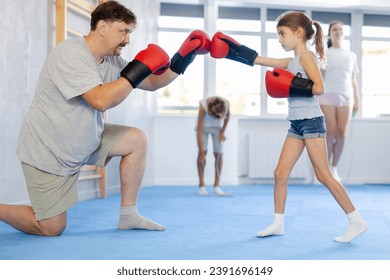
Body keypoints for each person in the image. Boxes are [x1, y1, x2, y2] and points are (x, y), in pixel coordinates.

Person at [0, 1, 210, 236]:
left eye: (129, 33)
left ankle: (129, 215)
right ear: (101, 27)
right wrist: (140, 67)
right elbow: (100, 99)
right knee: (51, 227)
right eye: (124, 31)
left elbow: (150, 82)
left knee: (136, 140)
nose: (127, 40)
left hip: (84, 138)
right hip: (50, 149)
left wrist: (183, 58)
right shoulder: (70, 54)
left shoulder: (110, 60)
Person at [209, 11, 367, 242]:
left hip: (312, 121)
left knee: (323, 175)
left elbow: (320, 88)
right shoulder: (293, 60)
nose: (280, 39)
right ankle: (278, 223)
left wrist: (290, 84)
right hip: (296, 123)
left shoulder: (307, 57)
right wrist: (231, 50)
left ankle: (356, 220)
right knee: (280, 173)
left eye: (282, 34)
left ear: (298, 32)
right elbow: (260, 60)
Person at [318, 21, 360, 181]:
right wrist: (316, 96)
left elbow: (353, 79)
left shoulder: (351, 56)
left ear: (344, 33)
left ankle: (334, 168)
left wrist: (357, 99)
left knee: (342, 133)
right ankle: (325, 169)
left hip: (346, 96)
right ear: (330, 34)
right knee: (331, 131)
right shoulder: (325, 53)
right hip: (328, 94)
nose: (338, 32)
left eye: (340, 29)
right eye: (335, 29)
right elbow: (320, 77)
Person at [196, 96, 230, 196]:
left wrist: (223, 132)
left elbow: (228, 118)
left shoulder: (226, 104)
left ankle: (217, 186)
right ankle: (201, 186)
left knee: (219, 154)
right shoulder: (203, 106)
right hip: (203, 128)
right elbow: (199, 131)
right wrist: (202, 153)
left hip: (217, 128)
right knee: (203, 154)